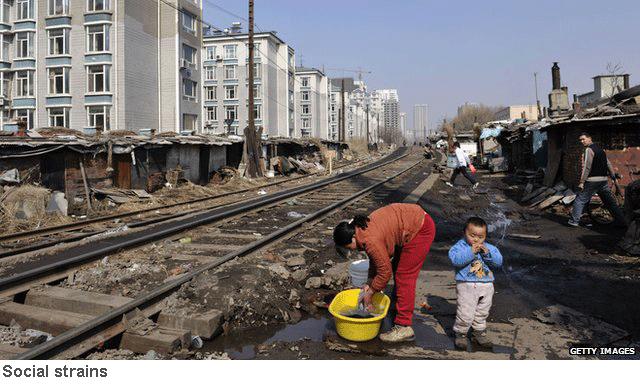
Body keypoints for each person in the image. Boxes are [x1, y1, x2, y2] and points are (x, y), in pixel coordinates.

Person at [333, 203, 436, 343]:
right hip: (409, 222)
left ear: (352, 238)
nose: (352, 250)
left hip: (420, 229)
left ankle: (404, 326)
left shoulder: (369, 240)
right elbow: (376, 259)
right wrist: (369, 281)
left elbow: (384, 272)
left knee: (404, 276)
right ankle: (397, 305)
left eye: (348, 247)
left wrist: (371, 291)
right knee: (397, 268)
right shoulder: (361, 229)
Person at [448, 217, 503, 350]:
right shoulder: (459, 247)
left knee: (482, 310)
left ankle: (478, 331)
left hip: (486, 284)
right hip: (467, 284)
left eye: (481, 236)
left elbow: (498, 262)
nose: (476, 240)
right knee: (466, 311)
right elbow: (456, 260)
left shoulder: (489, 248)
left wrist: (488, 254)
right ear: (465, 233)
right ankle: (461, 332)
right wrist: (471, 251)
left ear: (485, 236)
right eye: (472, 235)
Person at [568, 132, 626, 227]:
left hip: (592, 181)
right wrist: (612, 176)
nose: (582, 141)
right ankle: (621, 222)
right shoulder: (601, 150)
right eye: (580, 140)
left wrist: (582, 182)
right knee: (610, 202)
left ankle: (574, 221)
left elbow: (587, 167)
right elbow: (608, 164)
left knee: (579, 200)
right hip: (603, 181)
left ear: (590, 138)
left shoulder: (589, 150)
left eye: (583, 139)